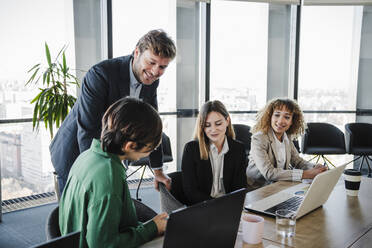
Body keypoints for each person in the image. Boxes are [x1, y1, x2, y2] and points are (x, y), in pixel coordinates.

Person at [50, 29, 176, 194]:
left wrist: (158, 171)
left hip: (111, 155)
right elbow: (89, 130)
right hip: (76, 154)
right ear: (137, 52)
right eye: (151, 62)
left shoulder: (151, 81)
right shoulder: (101, 75)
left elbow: (153, 125)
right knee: (77, 214)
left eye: (162, 67)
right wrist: (97, 174)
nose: (155, 71)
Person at [59, 97, 168, 248]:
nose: (149, 154)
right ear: (130, 146)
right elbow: (102, 244)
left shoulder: (86, 156)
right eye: (150, 149)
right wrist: (152, 228)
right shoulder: (109, 175)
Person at [246, 98, 327, 189]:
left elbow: (297, 161)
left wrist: (315, 167)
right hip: (258, 188)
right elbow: (269, 173)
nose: (281, 121)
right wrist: (306, 174)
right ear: (270, 117)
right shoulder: (259, 138)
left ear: (292, 121)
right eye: (277, 115)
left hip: (279, 185)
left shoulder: (286, 137)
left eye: (287, 117)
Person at [181, 100, 247, 205]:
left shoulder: (238, 149)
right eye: (207, 125)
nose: (213, 129)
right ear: (202, 126)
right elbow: (190, 191)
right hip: (202, 206)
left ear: (227, 121)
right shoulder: (192, 149)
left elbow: (240, 187)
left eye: (218, 123)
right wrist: (216, 205)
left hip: (229, 205)